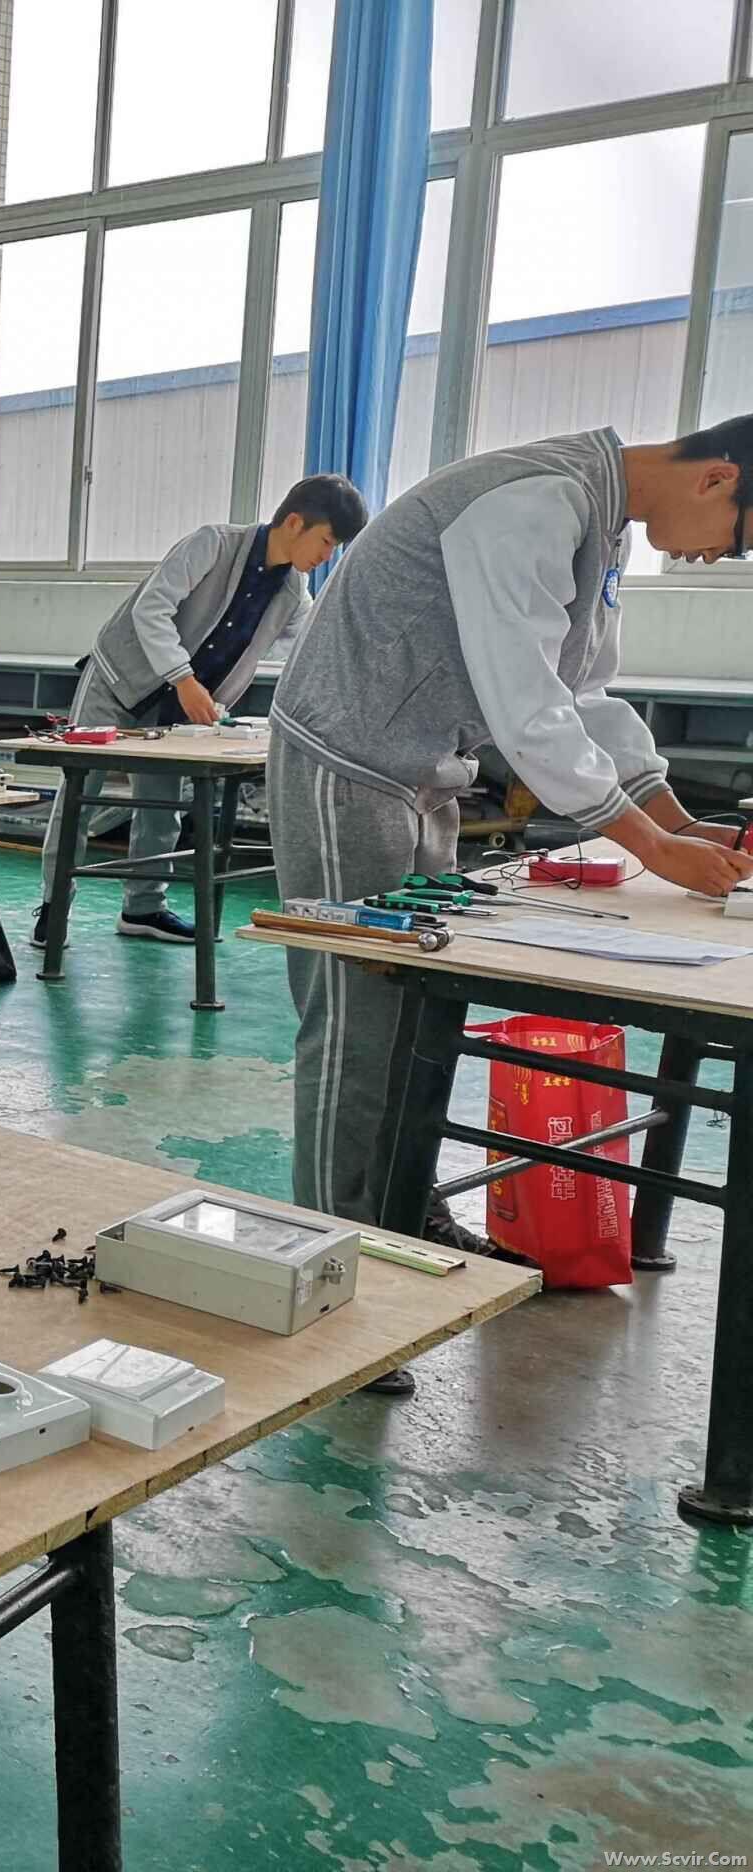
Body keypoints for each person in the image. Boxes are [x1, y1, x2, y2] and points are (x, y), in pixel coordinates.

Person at [273, 421, 753, 1396]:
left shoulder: (599, 523)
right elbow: (526, 706)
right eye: (740, 537)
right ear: (717, 478)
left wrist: (677, 821)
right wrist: (650, 846)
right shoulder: (536, 500)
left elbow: (586, 698)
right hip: (345, 761)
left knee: (413, 1014)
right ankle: (337, 1278)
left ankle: (397, 1212)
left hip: (420, 772)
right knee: (359, 1019)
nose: (720, 557)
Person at [34, 474, 368, 950]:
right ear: (295, 523)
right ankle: (53, 908)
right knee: (79, 798)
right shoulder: (212, 544)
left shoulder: (293, 592)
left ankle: (142, 909)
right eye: (327, 541)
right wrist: (183, 678)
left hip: (178, 707)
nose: (327, 556)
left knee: (163, 809)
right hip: (118, 680)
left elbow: (313, 649)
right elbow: (151, 609)